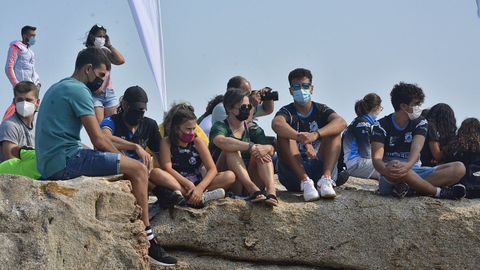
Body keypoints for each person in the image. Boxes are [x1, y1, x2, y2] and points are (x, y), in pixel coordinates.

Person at [35, 48, 176, 266]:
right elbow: (99, 140)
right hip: (66, 161)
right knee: (137, 169)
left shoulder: (59, 86)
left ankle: (156, 194)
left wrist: (126, 152)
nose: (102, 82)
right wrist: (128, 160)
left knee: (123, 165)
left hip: (50, 162)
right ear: (88, 69)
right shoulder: (79, 91)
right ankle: (149, 240)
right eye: (101, 75)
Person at [371, 82, 466, 199]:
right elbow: (377, 160)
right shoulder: (381, 125)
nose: (419, 107)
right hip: (391, 174)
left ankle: (410, 188)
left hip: (414, 169)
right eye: (416, 104)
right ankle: (438, 192)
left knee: (459, 168)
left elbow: (416, 151)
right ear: (403, 106)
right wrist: (386, 170)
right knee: (396, 165)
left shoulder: (421, 122)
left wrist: (407, 166)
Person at [272, 68, 347, 201]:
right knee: (284, 135)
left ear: (312, 89)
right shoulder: (287, 111)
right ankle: (305, 182)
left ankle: (326, 179)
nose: (301, 90)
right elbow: (276, 124)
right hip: (294, 175)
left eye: (305, 86)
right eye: (297, 87)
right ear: (291, 91)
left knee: (334, 132)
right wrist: (300, 137)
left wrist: (315, 135)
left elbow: (341, 122)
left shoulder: (321, 109)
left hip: (319, 165)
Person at [155, 103, 235, 207]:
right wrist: (187, 184)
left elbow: (212, 169)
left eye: (193, 129)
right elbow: (167, 168)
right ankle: (197, 197)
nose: (191, 132)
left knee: (230, 176)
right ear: (176, 128)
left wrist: (200, 188)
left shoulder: (198, 142)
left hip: (198, 182)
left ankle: (195, 195)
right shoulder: (166, 142)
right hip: (178, 182)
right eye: (188, 129)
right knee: (155, 173)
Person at [210, 88, 278, 206]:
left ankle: (271, 192)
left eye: (249, 107)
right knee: (231, 149)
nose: (247, 110)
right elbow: (220, 141)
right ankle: (252, 189)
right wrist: (249, 146)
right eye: (243, 107)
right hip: (232, 182)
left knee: (262, 152)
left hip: (253, 180)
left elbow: (270, 148)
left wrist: (267, 148)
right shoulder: (220, 126)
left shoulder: (253, 128)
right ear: (229, 108)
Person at [84, 24, 125, 123]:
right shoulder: (85, 53)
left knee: (115, 124)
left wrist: (109, 45)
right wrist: (93, 87)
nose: (101, 39)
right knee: (100, 126)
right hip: (94, 94)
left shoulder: (105, 51)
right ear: (92, 37)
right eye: (99, 36)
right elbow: (83, 74)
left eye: (104, 37)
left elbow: (121, 60)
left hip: (109, 93)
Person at [4, 25, 40, 120]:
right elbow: (9, 67)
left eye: (35, 36)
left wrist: (37, 82)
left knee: (30, 115)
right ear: (25, 36)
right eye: (32, 36)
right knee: (16, 111)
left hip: (32, 87)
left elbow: (32, 69)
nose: (34, 38)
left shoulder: (30, 52)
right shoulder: (16, 47)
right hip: (21, 87)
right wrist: (16, 85)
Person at [342, 93, 382, 179]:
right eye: (381, 108)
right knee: (388, 166)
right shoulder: (363, 124)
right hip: (355, 163)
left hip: (353, 163)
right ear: (376, 108)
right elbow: (366, 153)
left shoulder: (359, 121)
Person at [0, 81, 39, 162]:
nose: (24, 103)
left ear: (37, 102)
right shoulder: (9, 125)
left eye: (28, 100)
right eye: (20, 100)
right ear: (14, 102)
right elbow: (10, 161)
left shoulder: (39, 127)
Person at [211, 76, 275, 124]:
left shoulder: (243, 106)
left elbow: (267, 110)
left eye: (250, 93)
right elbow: (239, 128)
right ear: (234, 92)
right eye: (246, 94)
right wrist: (251, 105)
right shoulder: (221, 108)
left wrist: (267, 97)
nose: (249, 97)